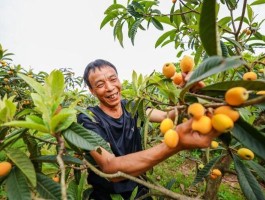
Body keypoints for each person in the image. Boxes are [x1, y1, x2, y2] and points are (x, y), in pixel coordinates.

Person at [77, 59, 220, 200]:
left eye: (113, 79)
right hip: (108, 195)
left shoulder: (132, 107)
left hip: (141, 188)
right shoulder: (88, 118)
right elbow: (109, 165)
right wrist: (176, 144)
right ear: (92, 91)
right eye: (100, 84)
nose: (109, 87)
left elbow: (166, 116)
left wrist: (190, 95)